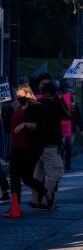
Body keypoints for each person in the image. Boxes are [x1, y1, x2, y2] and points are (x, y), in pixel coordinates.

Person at [7, 86, 52, 215]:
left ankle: (45, 192)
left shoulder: (36, 107)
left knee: (26, 177)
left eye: (21, 96)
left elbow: (41, 126)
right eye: (17, 96)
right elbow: (9, 127)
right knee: (14, 178)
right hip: (16, 147)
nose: (18, 98)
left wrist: (25, 124)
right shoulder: (16, 108)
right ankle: (15, 205)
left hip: (30, 147)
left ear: (28, 94)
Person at [31, 82, 69, 208]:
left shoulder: (36, 104)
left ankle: (35, 200)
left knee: (37, 174)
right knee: (55, 173)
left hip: (36, 145)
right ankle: (46, 200)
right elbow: (68, 116)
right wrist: (62, 100)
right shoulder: (55, 104)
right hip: (51, 145)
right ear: (55, 93)